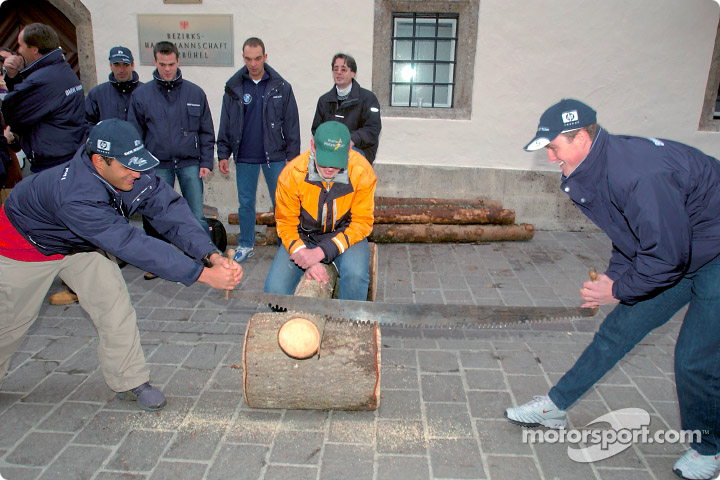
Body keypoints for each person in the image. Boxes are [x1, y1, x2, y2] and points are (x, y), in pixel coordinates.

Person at [504, 99, 720, 480]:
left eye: (554, 147)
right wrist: (613, 277)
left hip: (713, 254)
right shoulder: (594, 171)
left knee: (694, 360)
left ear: (582, 138)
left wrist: (620, 290)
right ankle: (555, 407)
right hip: (681, 248)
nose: (552, 157)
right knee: (616, 332)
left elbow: (666, 257)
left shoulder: (636, 175)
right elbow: (632, 236)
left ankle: (709, 449)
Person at [0, 119, 242, 411]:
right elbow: (131, 244)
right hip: (24, 246)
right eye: (128, 167)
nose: (137, 174)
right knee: (10, 325)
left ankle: (129, 380)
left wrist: (210, 255)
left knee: (113, 304)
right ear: (99, 162)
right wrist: (201, 275)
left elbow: (169, 210)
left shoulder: (130, 172)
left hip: (81, 244)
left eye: (138, 165)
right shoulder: (76, 195)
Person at [128, 41, 215, 279]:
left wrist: (207, 161)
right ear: (155, 62)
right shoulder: (141, 95)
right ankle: (157, 263)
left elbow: (206, 130)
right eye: (162, 64)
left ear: (178, 61)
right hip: (157, 166)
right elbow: (134, 135)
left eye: (172, 64)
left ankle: (203, 258)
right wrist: (139, 168)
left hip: (190, 163)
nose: (167, 69)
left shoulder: (194, 93)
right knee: (155, 215)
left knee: (195, 214)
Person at [264, 121, 376, 301]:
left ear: (348, 151)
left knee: (356, 277)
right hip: (304, 236)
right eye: (324, 161)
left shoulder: (362, 171)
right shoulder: (292, 174)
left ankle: (346, 323)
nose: (330, 168)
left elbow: (362, 222)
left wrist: (321, 252)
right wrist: (305, 257)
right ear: (313, 146)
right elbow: (286, 224)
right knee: (274, 293)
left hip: (344, 234)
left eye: (336, 162)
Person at [217, 37, 300, 264]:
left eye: (257, 58)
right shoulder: (233, 88)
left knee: (281, 203)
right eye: (248, 59)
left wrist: (292, 159)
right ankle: (245, 243)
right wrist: (222, 153)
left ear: (265, 57)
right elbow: (226, 122)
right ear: (243, 58)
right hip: (244, 156)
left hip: (274, 156)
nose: (253, 64)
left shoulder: (281, 87)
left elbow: (292, 125)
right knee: (245, 203)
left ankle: (287, 245)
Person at [1, 23, 86, 173]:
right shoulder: (62, 68)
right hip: (68, 154)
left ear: (34, 50)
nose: (19, 51)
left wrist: (13, 77)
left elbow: (12, 112)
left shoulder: (42, 80)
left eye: (21, 46)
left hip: (53, 162)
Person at [311, 53, 381, 164]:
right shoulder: (324, 100)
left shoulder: (368, 98)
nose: (338, 72)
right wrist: (329, 142)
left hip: (358, 149)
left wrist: (349, 140)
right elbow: (316, 129)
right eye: (335, 69)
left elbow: (372, 129)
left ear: (353, 73)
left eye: (343, 69)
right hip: (330, 149)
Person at [86, 46, 142, 126]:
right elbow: (87, 124)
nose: (121, 70)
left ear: (132, 65)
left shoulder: (145, 92)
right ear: (111, 66)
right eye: (117, 65)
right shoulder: (97, 94)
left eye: (125, 64)